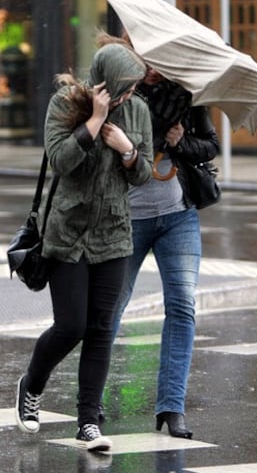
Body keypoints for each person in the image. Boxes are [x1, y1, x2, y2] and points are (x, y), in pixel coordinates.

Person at [15, 42, 153, 452]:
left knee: (101, 329)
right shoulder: (64, 102)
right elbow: (59, 160)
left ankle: (88, 421)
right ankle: (31, 385)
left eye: (132, 90)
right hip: (67, 232)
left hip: (113, 234)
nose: (129, 97)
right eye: (124, 89)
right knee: (71, 325)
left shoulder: (138, 112)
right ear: (105, 82)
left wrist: (127, 150)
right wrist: (93, 123)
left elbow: (143, 173)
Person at [111, 63, 220, 440]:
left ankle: (173, 407)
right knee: (111, 308)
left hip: (179, 216)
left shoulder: (186, 96)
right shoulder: (119, 93)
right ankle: (89, 405)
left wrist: (179, 143)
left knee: (182, 307)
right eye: (148, 60)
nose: (155, 69)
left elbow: (210, 145)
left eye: (161, 62)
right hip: (129, 219)